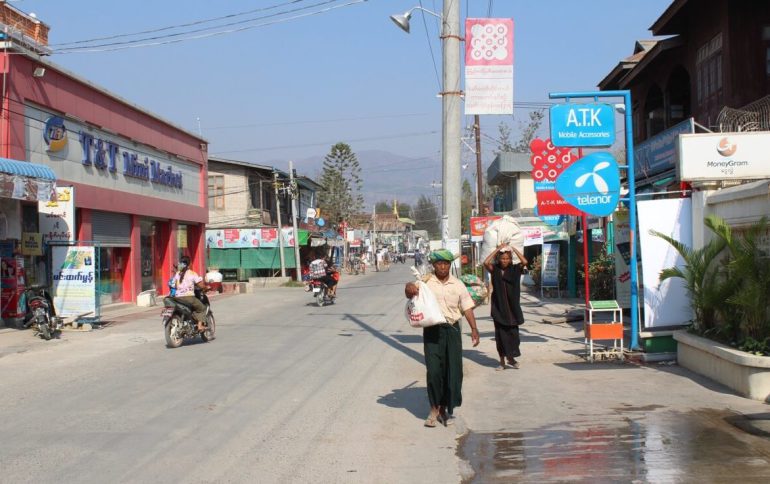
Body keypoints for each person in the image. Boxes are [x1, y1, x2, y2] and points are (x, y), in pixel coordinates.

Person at [404, 249, 480, 428]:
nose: (443, 266)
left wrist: (474, 329)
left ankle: (444, 409)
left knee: (452, 372)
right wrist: (409, 288)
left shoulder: (458, 284)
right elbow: (411, 292)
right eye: (439, 263)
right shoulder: (426, 282)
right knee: (434, 371)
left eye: (446, 263)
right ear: (434, 265)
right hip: (432, 330)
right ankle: (433, 409)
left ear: (450, 265)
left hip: (452, 331)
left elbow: (467, 307)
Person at [483, 243, 528, 370]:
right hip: (499, 308)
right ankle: (502, 361)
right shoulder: (495, 269)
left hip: (513, 309)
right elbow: (486, 262)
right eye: (502, 258)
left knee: (514, 336)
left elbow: (525, 261)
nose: (505, 261)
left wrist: (513, 249)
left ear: (510, 259)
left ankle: (511, 358)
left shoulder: (515, 269)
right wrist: (498, 248)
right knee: (500, 337)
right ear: (498, 259)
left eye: (507, 258)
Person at [172, 256, 209, 332]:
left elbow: (175, 286)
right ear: (189, 264)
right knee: (202, 308)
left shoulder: (178, 273)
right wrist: (206, 288)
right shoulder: (192, 273)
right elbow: (200, 285)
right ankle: (200, 326)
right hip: (188, 297)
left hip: (177, 297)